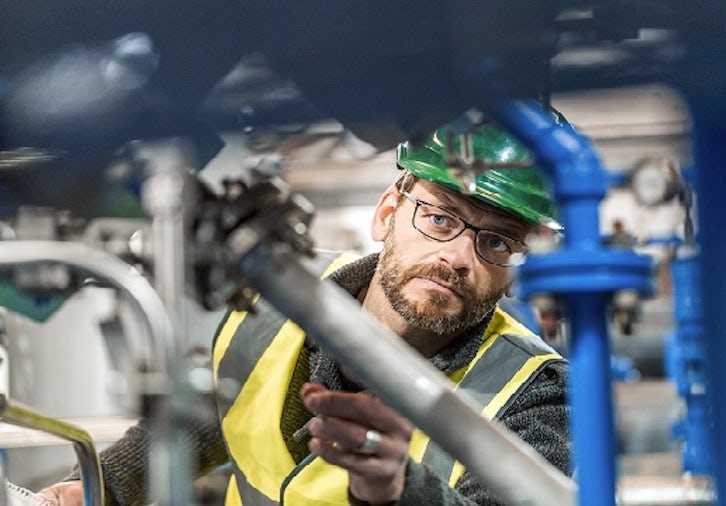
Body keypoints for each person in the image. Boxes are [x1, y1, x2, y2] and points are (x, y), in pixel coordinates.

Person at [38, 113, 571, 505]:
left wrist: (402, 492)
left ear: (511, 273)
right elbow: (212, 418)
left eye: (497, 242)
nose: (457, 256)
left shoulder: (535, 392)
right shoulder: (279, 290)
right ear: (387, 213)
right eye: (439, 218)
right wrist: (97, 488)